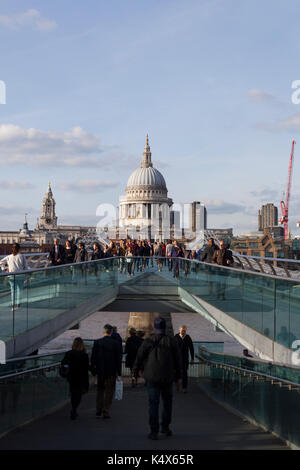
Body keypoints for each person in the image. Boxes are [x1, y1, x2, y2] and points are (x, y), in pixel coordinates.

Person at [133, 317, 181, 440]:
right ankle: (165, 427)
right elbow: (178, 360)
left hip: (152, 377)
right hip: (167, 377)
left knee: (153, 404)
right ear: (165, 327)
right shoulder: (172, 341)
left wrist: (135, 372)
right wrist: (178, 376)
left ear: (154, 327)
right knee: (167, 403)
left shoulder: (148, 341)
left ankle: (153, 431)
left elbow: (139, 357)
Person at [91, 324, 122, 419]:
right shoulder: (115, 343)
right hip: (111, 371)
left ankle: (98, 409)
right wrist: (119, 373)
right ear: (111, 332)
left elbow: (93, 358)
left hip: (100, 371)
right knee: (109, 391)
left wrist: (94, 371)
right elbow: (118, 359)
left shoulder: (97, 342)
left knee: (100, 390)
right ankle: (106, 411)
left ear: (103, 331)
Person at [61, 337, 90, 420]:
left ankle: (73, 408)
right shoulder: (84, 355)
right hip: (81, 377)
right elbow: (86, 367)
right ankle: (74, 408)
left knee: (73, 392)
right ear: (82, 345)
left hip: (71, 376)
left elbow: (63, 363)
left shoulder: (68, 353)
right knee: (79, 394)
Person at [0, 243, 28, 310]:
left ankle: (13, 305)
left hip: (11, 276)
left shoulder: (9, 257)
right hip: (20, 276)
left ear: (12, 249)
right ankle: (18, 305)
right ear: (19, 249)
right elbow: (26, 267)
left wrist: (5, 269)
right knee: (19, 291)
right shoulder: (22, 256)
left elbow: (1, 262)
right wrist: (26, 275)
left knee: (13, 291)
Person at [174, 325, 194, 393]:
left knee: (184, 373)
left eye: (184, 330)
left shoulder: (188, 337)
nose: (183, 331)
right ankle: (176, 382)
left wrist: (192, 359)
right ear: (179, 330)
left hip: (185, 359)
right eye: (182, 330)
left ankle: (184, 387)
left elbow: (191, 348)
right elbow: (172, 348)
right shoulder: (176, 337)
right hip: (176, 358)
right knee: (177, 372)